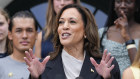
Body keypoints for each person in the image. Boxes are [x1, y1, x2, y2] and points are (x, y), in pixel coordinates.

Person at [24, 4, 120, 79]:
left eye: (72, 22)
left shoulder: (106, 65)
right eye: (61, 22)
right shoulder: (44, 67)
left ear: (86, 31)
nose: (64, 26)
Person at [98, 0, 140, 75]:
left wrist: (127, 36)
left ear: (136, 6)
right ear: (114, 6)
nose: (122, 5)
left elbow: (138, 68)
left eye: (128, 2)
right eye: (118, 1)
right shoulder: (102, 33)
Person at [0, 11, 38, 79]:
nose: (24, 36)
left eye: (29, 30)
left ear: (36, 35)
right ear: (10, 35)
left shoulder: (46, 66)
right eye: (19, 31)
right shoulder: (1, 66)